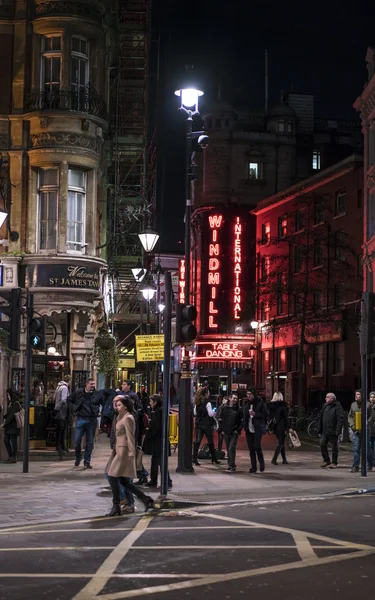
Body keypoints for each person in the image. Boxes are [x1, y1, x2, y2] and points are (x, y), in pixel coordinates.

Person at [106, 395, 154, 516]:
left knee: (111, 476)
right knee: (123, 481)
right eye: (116, 405)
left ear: (126, 406)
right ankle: (146, 499)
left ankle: (116, 505)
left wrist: (131, 454)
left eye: (119, 405)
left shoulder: (129, 418)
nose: (117, 407)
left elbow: (131, 437)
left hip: (124, 452)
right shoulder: (119, 417)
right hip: (118, 450)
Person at [67, 378, 104, 469]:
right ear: (87, 384)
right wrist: (73, 409)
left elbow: (103, 403)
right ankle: (78, 456)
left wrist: (100, 412)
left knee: (89, 442)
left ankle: (87, 461)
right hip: (81, 419)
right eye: (91, 384)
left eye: (94, 384)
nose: (93, 386)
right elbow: (69, 400)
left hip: (92, 420)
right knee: (76, 441)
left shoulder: (97, 394)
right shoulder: (79, 392)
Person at [144, 394, 172, 488]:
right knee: (156, 460)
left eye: (151, 401)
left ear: (155, 402)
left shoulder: (158, 412)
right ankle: (157, 480)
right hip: (159, 439)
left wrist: (151, 434)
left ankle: (164, 481)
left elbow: (158, 426)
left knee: (159, 460)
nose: (150, 403)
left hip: (159, 440)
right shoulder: (157, 411)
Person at [193, 387, 221, 466]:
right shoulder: (208, 403)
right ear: (205, 394)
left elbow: (195, 412)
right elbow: (210, 414)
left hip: (199, 424)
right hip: (207, 425)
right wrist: (214, 413)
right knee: (210, 441)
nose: (209, 394)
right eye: (208, 392)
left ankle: (194, 458)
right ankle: (214, 458)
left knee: (197, 441)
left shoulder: (197, 403)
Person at [348, 390, 373, 473]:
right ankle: (355, 466)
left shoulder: (368, 404)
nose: (356, 396)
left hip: (366, 430)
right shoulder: (353, 405)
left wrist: (367, 422)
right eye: (356, 394)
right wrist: (352, 425)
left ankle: (370, 464)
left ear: (362, 396)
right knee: (356, 448)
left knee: (367, 447)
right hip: (356, 431)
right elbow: (350, 416)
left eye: (358, 394)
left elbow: (372, 415)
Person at [244, 388, 267, 474]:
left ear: (254, 394)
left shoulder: (260, 402)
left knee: (257, 446)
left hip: (257, 428)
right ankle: (253, 467)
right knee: (251, 449)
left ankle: (261, 463)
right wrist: (245, 427)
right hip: (249, 428)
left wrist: (255, 414)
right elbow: (245, 416)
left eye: (250, 394)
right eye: (247, 394)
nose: (248, 396)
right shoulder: (247, 404)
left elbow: (265, 414)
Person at [318, 392, 344, 469]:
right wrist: (320, 428)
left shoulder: (337, 406)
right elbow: (321, 417)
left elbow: (340, 419)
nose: (325, 398)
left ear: (332, 398)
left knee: (334, 447)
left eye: (327, 397)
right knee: (322, 444)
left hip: (333, 431)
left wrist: (337, 431)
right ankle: (326, 460)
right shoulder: (325, 406)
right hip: (325, 431)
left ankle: (334, 462)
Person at [220, 394, 243, 472]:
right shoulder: (224, 408)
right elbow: (221, 419)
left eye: (236, 398)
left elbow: (242, 421)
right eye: (234, 398)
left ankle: (231, 466)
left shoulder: (239, 409)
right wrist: (222, 429)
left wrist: (238, 430)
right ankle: (231, 464)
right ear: (230, 398)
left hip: (234, 432)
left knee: (231, 448)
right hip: (226, 431)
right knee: (228, 448)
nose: (235, 400)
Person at [268, 391, 289, 466]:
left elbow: (269, 417)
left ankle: (284, 459)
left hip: (275, 427)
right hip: (281, 426)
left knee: (281, 442)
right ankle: (274, 459)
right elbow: (286, 418)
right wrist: (287, 428)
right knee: (280, 443)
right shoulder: (283, 406)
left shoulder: (271, 406)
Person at [1, 390, 22, 463]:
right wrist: (5, 416)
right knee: (6, 440)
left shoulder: (16, 403)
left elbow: (13, 414)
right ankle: (10, 456)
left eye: (8, 395)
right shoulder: (10, 403)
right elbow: (9, 413)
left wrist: (5, 423)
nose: (7, 396)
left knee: (13, 442)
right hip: (8, 426)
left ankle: (13, 457)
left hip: (13, 426)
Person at [54, 375, 71, 456]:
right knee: (62, 429)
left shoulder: (58, 387)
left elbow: (54, 398)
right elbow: (64, 400)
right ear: (69, 381)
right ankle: (61, 446)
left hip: (57, 409)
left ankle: (58, 445)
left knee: (59, 429)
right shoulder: (64, 388)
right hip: (62, 410)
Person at [369, 392, 375, 467]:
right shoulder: (368, 406)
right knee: (370, 446)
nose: (372, 399)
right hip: (370, 429)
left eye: (374, 397)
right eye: (371, 397)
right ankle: (371, 462)